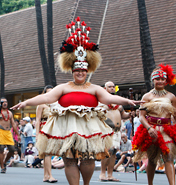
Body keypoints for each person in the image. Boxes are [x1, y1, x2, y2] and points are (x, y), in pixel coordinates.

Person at [11, 17, 142, 185]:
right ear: (72, 71)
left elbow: (109, 98)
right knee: (69, 160)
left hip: (89, 128)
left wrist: (127, 101)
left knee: (88, 160)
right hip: (66, 128)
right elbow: (46, 98)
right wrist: (26, 102)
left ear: (87, 71)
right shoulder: (63, 87)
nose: (80, 73)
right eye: (77, 70)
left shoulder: (94, 88)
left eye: (83, 71)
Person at [132, 64, 176, 185]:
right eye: (157, 79)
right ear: (153, 80)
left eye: (163, 79)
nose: (160, 81)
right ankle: (150, 183)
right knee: (151, 160)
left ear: (166, 81)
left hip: (167, 130)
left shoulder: (171, 96)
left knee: (169, 158)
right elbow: (141, 116)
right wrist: (149, 128)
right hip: (151, 130)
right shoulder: (147, 96)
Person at [98, 81, 131, 182]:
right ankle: (102, 173)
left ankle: (110, 174)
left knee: (114, 152)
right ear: (105, 88)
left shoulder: (118, 102)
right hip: (106, 130)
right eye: (110, 87)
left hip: (117, 131)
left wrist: (130, 115)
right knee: (107, 151)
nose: (112, 88)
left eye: (113, 87)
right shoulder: (101, 101)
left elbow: (123, 115)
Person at [0, 97, 21, 173]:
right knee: (1, 149)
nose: (5, 103)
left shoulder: (10, 113)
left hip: (8, 132)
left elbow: (13, 124)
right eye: (3, 102)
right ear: (0, 104)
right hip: (0, 131)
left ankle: (4, 161)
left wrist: (18, 135)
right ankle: (2, 167)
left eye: (6, 102)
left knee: (12, 149)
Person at [35, 85, 58, 183]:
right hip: (44, 129)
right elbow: (37, 119)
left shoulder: (56, 104)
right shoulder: (41, 104)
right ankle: (50, 175)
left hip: (53, 129)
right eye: (48, 92)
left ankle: (45, 175)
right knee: (47, 153)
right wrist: (36, 134)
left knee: (47, 153)